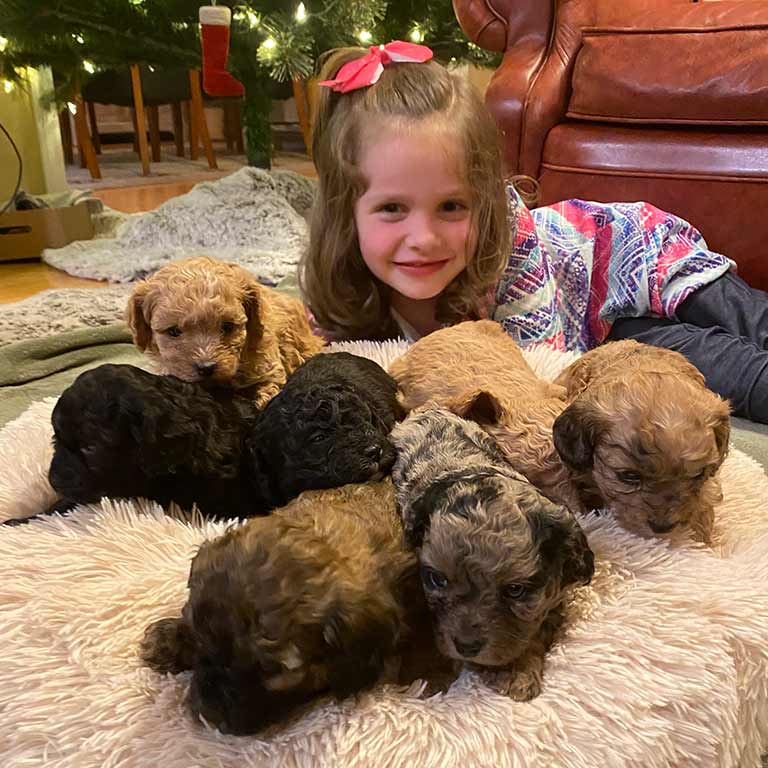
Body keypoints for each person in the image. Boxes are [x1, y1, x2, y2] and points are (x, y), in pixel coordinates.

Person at [299, 41, 768, 424]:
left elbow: (539, 373)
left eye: (451, 206)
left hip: (636, 254)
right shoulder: (341, 290)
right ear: (346, 214)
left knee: (752, 323)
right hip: (607, 337)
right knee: (733, 375)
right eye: (392, 209)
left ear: (483, 201)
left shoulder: (510, 245)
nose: (423, 236)